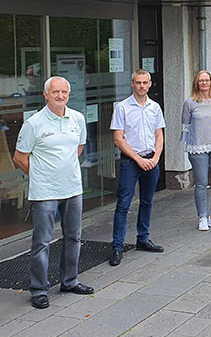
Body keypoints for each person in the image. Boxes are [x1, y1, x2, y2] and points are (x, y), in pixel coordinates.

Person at [13, 76, 94, 309]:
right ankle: (39, 288)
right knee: (42, 242)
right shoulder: (34, 123)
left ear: (69, 94)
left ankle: (69, 281)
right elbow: (20, 158)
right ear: (45, 94)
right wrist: (41, 176)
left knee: (74, 237)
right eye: (55, 92)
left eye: (64, 92)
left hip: (73, 189)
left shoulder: (77, 118)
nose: (60, 96)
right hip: (45, 192)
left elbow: (78, 149)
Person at [108, 70, 165, 266]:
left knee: (147, 202)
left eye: (145, 83)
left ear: (149, 85)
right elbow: (118, 139)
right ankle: (117, 246)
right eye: (138, 82)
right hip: (130, 162)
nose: (142, 86)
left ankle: (143, 239)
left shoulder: (154, 107)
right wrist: (138, 159)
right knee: (123, 205)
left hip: (151, 160)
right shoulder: (122, 108)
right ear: (132, 84)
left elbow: (159, 135)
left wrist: (156, 157)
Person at [182, 70, 211, 232]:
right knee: (201, 184)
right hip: (197, 148)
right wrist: (187, 145)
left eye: (207, 80)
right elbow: (185, 126)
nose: (204, 83)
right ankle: (202, 217)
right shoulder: (190, 103)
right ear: (197, 83)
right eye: (201, 80)